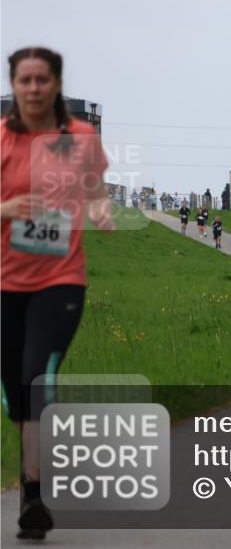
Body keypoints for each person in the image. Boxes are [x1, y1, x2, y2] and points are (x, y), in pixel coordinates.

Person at [1, 47, 116, 540]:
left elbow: (94, 186)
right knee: (14, 392)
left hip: (60, 279)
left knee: (35, 379)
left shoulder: (80, 136)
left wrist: (99, 209)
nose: (32, 88)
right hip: (5, 282)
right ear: (14, 84)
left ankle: (34, 495)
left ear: (55, 84)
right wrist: (7, 206)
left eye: (41, 80)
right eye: (23, 80)